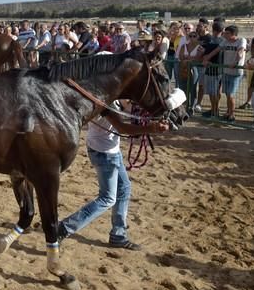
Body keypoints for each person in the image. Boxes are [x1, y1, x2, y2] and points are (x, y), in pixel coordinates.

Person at [56, 100, 171, 249]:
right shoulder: (106, 103)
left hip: (108, 150)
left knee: (124, 188)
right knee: (107, 198)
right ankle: (65, 227)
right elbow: (122, 128)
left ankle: (118, 234)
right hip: (105, 154)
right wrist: (152, 128)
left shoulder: (112, 98)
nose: (130, 101)